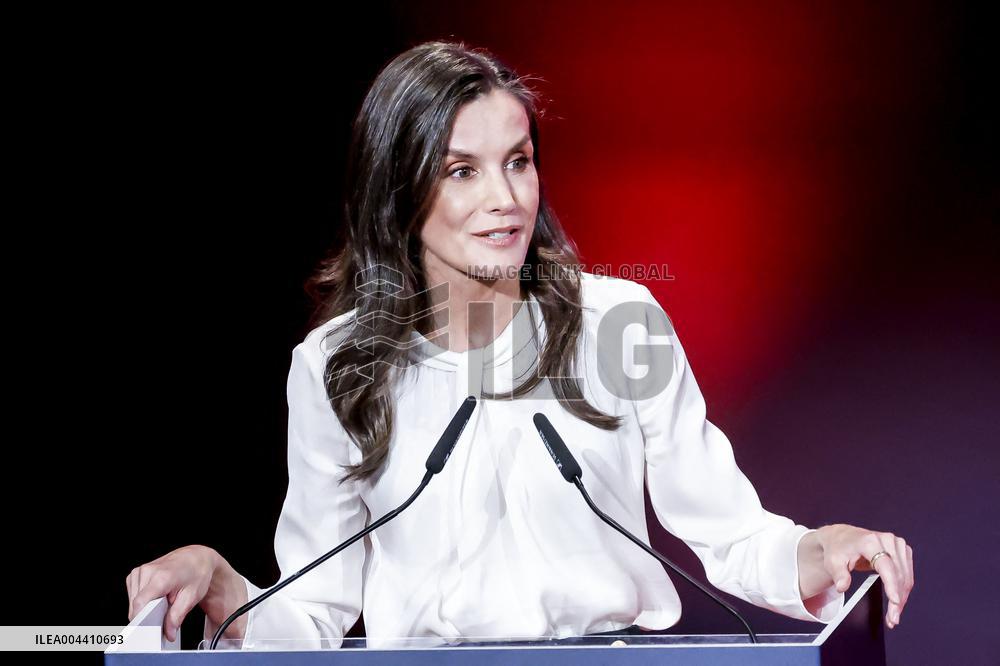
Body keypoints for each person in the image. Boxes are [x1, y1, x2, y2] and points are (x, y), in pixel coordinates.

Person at [125, 40, 914, 649]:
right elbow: (317, 608)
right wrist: (233, 597)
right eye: (461, 171)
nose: (506, 200)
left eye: (519, 161)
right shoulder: (336, 366)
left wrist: (818, 552)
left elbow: (727, 529)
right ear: (397, 193)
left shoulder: (620, 323)